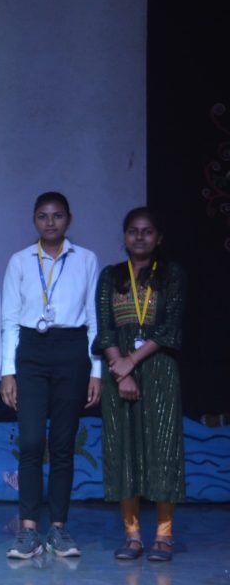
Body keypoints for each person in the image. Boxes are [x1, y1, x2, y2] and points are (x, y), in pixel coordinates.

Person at [0, 192, 101, 559]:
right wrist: (7, 372)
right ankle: (28, 531)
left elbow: (94, 319)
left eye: (57, 216)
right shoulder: (20, 261)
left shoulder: (86, 259)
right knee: (30, 442)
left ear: (68, 219)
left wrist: (96, 371)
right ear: (34, 220)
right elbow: (10, 321)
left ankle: (58, 528)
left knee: (61, 444)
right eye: (43, 216)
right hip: (31, 352)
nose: (50, 222)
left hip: (72, 351)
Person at [94, 208, 186, 562]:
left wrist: (130, 362)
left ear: (158, 237)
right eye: (133, 231)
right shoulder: (110, 275)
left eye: (147, 231)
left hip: (159, 369)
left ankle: (164, 535)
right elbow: (105, 329)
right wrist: (122, 370)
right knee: (123, 449)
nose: (140, 237)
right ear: (125, 236)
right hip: (118, 371)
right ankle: (132, 536)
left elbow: (169, 329)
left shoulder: (172, 274)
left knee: (163, 447)